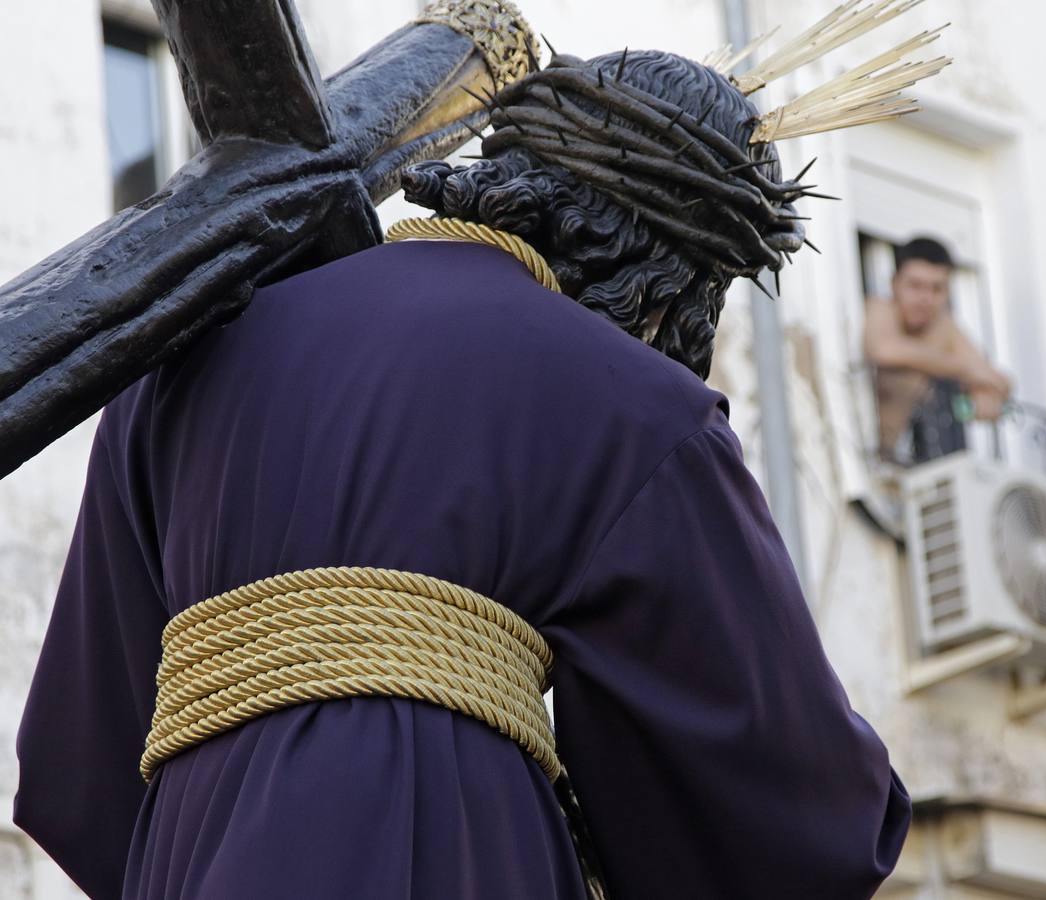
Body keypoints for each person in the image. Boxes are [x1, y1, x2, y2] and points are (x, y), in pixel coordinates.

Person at [13, 35, 930, 900]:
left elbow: (77, 772)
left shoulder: (182, 358)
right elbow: (773, 803)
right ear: (679, 275)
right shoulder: (637, 405)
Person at [863, 236, 1012, 465]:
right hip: (862, 458)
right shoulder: (880, 308)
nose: (925, 298)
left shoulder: (943, 328)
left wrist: (985, 395)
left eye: (937, 288)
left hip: (908, 465)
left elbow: (998, 381)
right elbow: (883, 349)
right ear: (894, 283)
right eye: (915, 286)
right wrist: (961, 369)